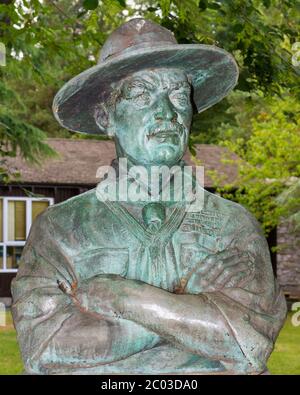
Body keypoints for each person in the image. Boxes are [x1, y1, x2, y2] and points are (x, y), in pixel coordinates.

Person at [11, 18, 286, 375]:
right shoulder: (59, 228)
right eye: (142, 94)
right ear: (105, 116)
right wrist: (186, 307)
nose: (166, 113)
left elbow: (248, 342)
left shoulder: (233, 224)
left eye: (177, 95)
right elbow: (46, 348)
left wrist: (124, 298)